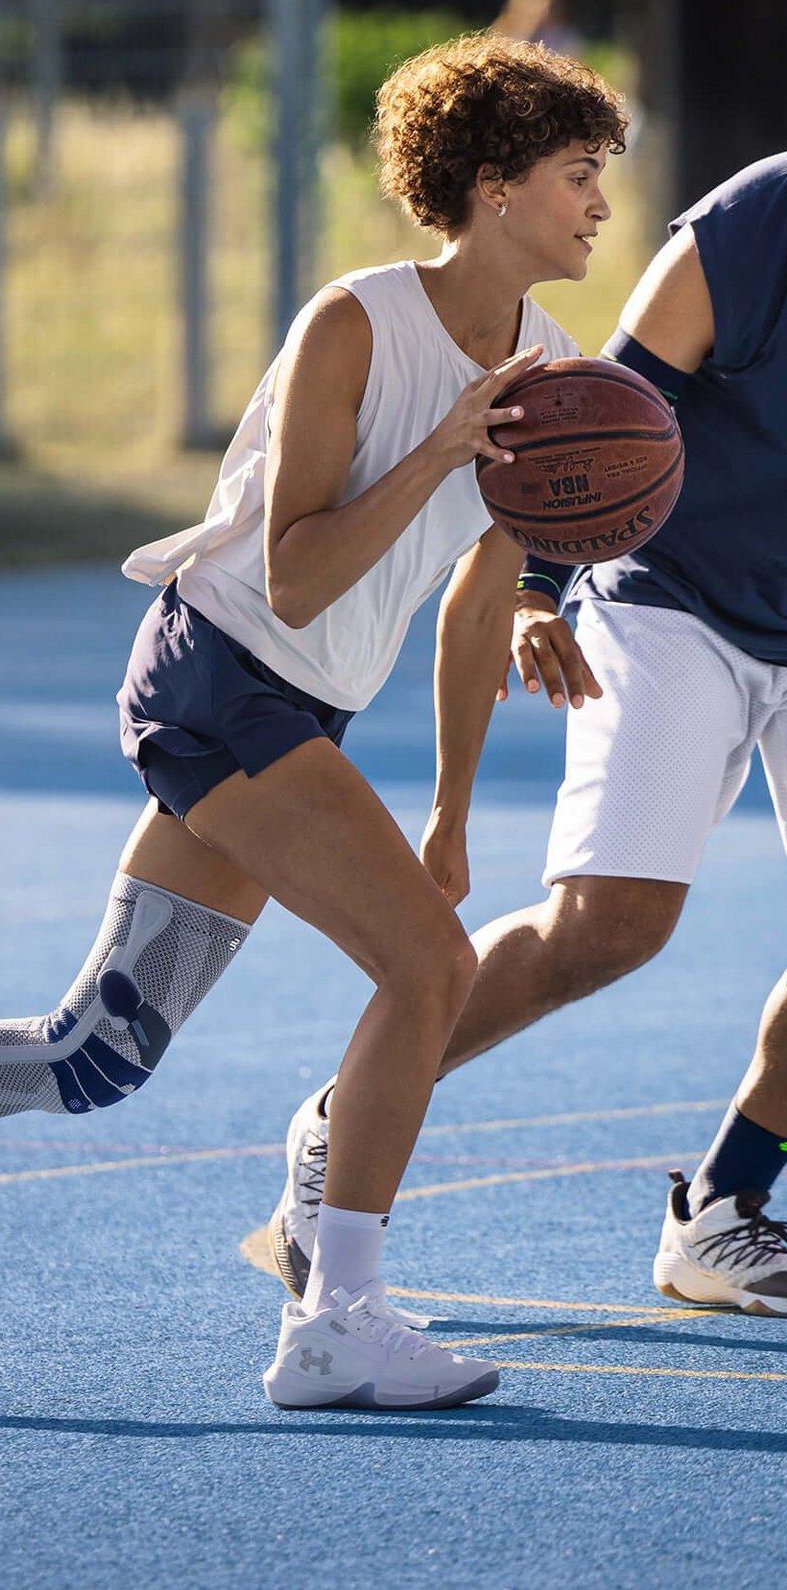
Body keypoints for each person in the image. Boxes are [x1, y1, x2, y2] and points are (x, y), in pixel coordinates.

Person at [0, 35, 625, 1412]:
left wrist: (456, 805)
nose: (600, 204)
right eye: (579, 174)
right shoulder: (356, 323)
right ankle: (337, 1311)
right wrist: (444, 448)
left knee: (93, 1052)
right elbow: (296, 572)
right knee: (429, 968)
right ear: (496, 183)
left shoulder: (556, 367)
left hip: (301, 708)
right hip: (217, 673)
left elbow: (475, 600)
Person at [268, 154, 787, 1318]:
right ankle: (348, 1115)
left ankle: (723, 1210)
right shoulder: (756, 223)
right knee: (608, 929)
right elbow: (597, 415)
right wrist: (537, 588)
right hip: (674, 599)